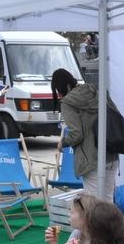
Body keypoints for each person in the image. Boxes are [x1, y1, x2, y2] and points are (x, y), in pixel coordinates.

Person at [51, 68, 119, 201]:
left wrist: (62, 142)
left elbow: (76, 134)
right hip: (111, 153)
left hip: (91, 159)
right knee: (107, 201)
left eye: (59, 90)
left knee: (93, 204)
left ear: (65, 86)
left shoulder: (68, 102)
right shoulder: (96, 91)